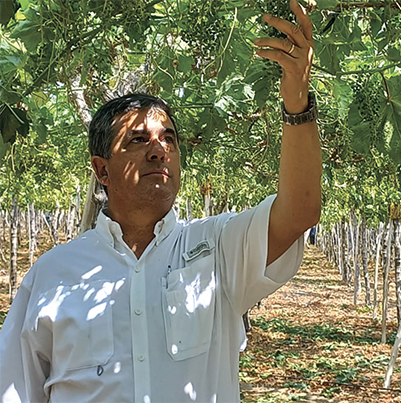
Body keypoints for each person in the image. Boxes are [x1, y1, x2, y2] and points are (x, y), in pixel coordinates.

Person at [0, 1, 321, 402]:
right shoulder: (52, 275)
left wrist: (297, 100)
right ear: (102, 170)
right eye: (138, 140)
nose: (159, 150)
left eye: (169, 139)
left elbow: (300, 211)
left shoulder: (216, 248)